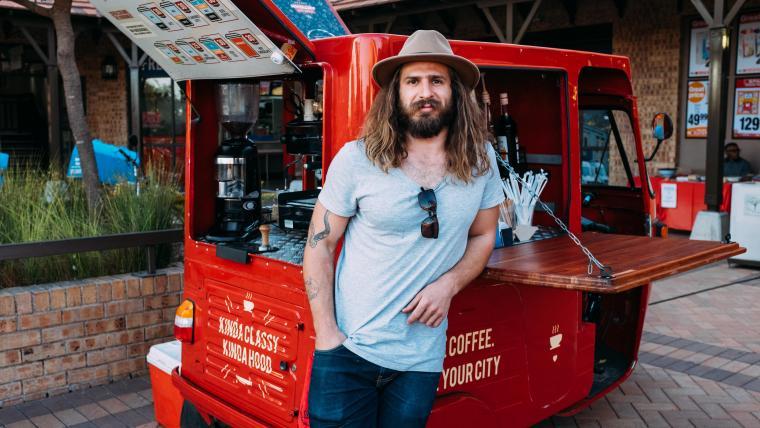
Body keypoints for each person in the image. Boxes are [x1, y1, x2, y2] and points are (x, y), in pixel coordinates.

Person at [301, 30, 504, 427]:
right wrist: (327, 338)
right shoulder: (357, 159)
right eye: (413, 81)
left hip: (420, 362)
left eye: (436, 80)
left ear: (455, 92)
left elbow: (483, 236)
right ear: (396, 94)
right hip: (349, 355)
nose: (424, 92)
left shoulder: (482, 163)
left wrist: (449, 285)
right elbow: (319, 245)